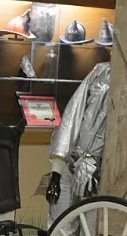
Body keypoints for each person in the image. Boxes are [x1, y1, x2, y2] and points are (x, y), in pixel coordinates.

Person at [46, 62, 110, 225]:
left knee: (92, 232)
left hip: (101, 171)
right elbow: (73, 115)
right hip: (73, 162)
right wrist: (56, 173)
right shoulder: (100, 71)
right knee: (62, 226)